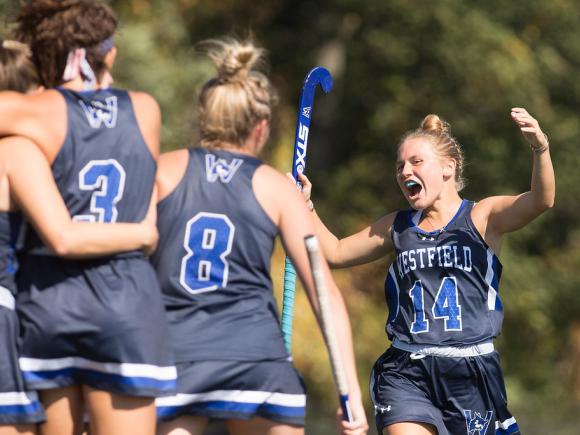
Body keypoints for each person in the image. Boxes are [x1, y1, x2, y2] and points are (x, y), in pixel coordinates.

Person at [151, 38, 368, 435]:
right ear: (262, 128)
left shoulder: (162, 171)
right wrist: (349, 394)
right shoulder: (276, 187)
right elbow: (324, 293)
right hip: (256, 360)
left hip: (177, 356)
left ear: (205, 117)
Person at [298, 109, 554, 435]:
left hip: (471, 371)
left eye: (416, 162)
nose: (405, 170)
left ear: (449, 167)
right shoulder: (397, 226)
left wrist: (540, 148)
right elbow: (333, 252)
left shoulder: (482, 217)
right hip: (406, 370)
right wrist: (305, 207)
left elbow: (541, 200)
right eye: (400, 165)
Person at [0, 2, 178, 434]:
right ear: (109, 54)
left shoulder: (29, 112)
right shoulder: (146, 109)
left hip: (46, 302)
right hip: (125, 303)